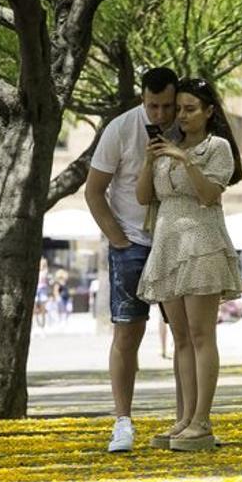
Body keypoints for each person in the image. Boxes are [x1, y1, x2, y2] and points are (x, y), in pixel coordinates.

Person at [136, 77, 242, 452]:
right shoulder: (167, 145)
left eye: (189, 109)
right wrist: (151, 160)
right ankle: (185, 417)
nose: (181, 116)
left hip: (202, 242)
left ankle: (202, 420)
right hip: (168, 241)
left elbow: (209, 194)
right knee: (180, 337)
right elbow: (143, 196)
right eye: (178, 109)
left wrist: (184, 160)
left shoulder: (218, 148)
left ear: (209, 111)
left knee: (202, 335)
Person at [85, 66, 182, 453]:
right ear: (142, 99)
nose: (160, 115)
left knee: (185, 336)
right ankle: (122, 421)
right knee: (128, 332)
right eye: (153, 106)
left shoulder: (188, 126)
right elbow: (94, 191)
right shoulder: (120, 129)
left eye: (167, 107)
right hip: (132, 244)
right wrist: (118, 239)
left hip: (175, 243)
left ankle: (186, 420)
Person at [33, 258, 51, 328]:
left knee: (43, 306)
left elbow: (46, 278)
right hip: (37, 290)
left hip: (43, 289)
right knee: (34, 307)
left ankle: (43, 323)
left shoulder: (45, 272)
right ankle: (36, 321)